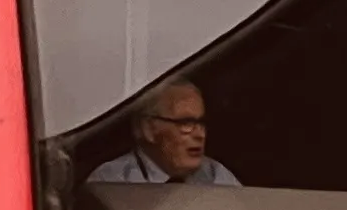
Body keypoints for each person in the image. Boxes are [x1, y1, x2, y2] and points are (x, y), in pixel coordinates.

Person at [87, 78, 239, 186]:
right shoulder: (110, 183)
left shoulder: (216, 177)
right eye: (186, 123)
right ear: (148, 129)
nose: (200, 135)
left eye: (201, 123)